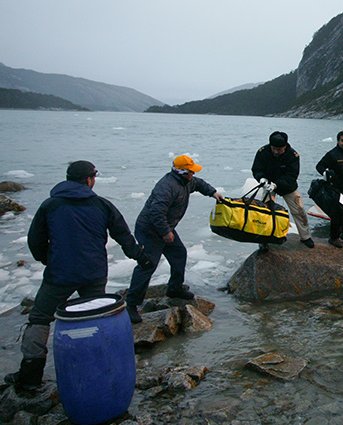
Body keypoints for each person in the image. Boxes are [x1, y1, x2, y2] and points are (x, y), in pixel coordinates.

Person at [4, 161, 153, 392]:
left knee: (40, 319)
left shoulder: (50, 205)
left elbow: (35, 241)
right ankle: (97, 372)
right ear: (89, 180)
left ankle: (30, 376)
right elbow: (124, 237)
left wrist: (48, 259)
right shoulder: (102, 205)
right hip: (93, 274)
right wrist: (143, 259)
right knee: (94, 321)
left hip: (59, 275)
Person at [126, 155, 223, 324]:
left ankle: (175, 288)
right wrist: (165, 232)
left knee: (179, 254)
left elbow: (199, 184)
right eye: (191, 171)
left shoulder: (187, 181)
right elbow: (156, 212)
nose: (193, 174)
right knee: (147, 265)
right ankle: (131, 305)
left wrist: (213, 193)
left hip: (165, 227)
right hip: (150, 230)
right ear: (182, 172)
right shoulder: (166, 187)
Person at [252, 131, 314, 250]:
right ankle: (264, 239)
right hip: (268, 185)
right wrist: (261, 179)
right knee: (265, 211)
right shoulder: (262, 152)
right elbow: (257, 168)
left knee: (299, 210)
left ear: (285, 147)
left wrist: (277, 185)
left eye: (279, 149)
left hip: (287, 186)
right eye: (274, 149)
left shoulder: (293, 155)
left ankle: (305, 236)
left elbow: (292, 175)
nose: (276, 152)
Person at [316, 131, 343, 247]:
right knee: (337, 213)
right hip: (336, 189)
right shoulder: (332, 154)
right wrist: (325, 173)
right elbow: (319, 166)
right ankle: (334, 237)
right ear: (338, 141)